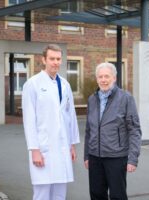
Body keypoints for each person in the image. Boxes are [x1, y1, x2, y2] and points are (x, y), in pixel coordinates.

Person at [22, 44, 80, 200]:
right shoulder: (32, 84)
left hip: (62, 147)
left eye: (58, 59)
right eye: (52, 59)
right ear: (44, 60)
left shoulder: (65, 85)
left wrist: (72, 145)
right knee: (42, 193)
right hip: (43, 148)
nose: (56, 62)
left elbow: (71, 116)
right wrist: (34, 150)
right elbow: (29, 120)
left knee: (60, 193)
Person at [84, 62, 142, 200]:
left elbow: (134, 130)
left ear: (114, 78)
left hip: (116, 157)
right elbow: (88, 130)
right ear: (97, 79)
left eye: (106, 76)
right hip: (95, 157)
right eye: (100, 77)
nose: (103, 80)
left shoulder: (126, 98)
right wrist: (87, 155)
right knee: (96, 195)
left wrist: (133, 158)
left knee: (118, 196)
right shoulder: (92, 99)